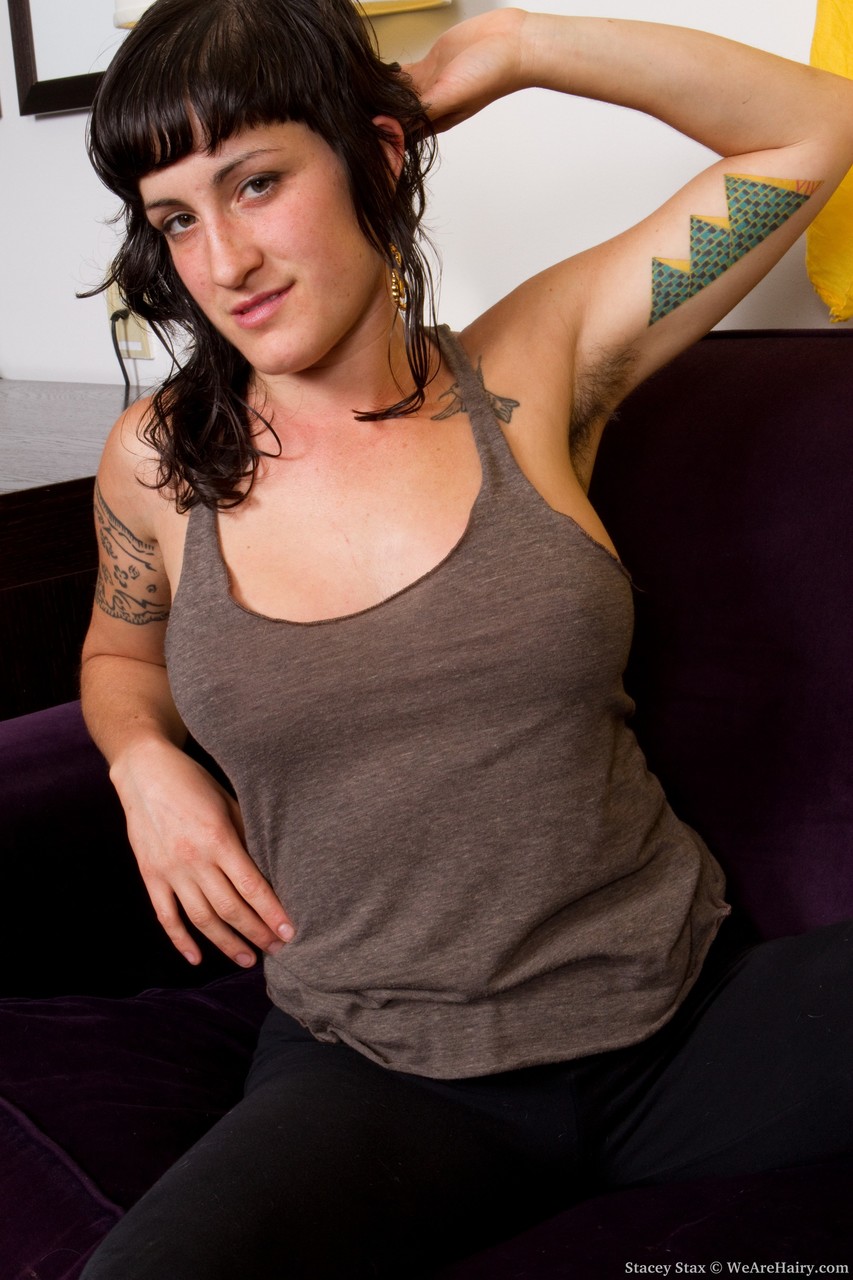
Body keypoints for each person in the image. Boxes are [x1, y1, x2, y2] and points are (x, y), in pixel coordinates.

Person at [79, 0, 853, 1275]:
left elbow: (818, 127)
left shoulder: (530, 373)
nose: (224, 260)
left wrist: (520, 46)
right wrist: (140, 759)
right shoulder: (163, 462)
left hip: (686, 1027)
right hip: (379, 1073)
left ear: (378, 159)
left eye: (257, 182)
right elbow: (119, 656)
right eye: (177, 218)